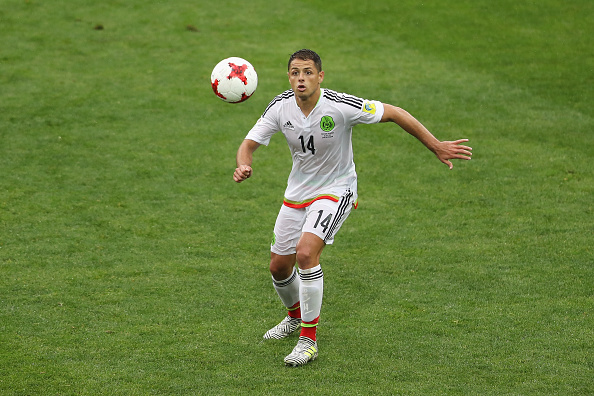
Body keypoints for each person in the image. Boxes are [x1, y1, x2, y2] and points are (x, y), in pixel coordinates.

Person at [233, 49, 472, 366]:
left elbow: (396, 112)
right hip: (298, 192)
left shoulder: (340, 106)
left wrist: (436, 145)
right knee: (278, 266)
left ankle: (308, 341)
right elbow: (248, 144)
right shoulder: (281, 107)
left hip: (337, 189)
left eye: (307, 72)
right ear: (288, 76)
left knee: (306, 254)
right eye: (294, 72)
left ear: (320, 76)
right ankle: (293, 318)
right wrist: (243, 165)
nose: (300, 78)